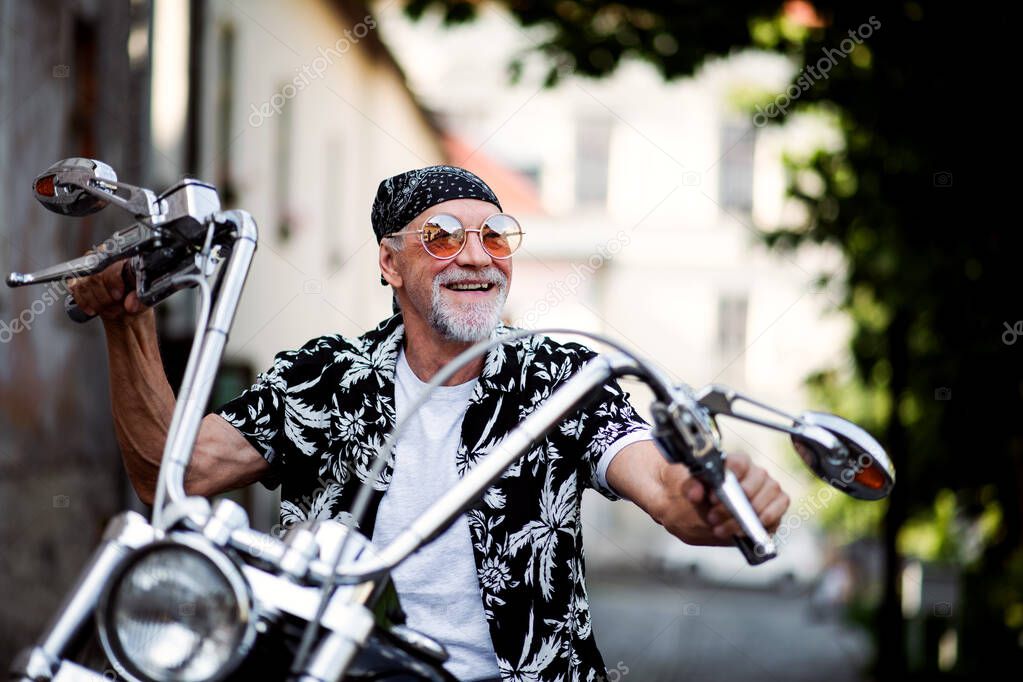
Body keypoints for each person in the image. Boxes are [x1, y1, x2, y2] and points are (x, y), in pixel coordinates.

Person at [70, 165, 790, 682]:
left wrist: (710, 496)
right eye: (442, 238)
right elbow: (175, 474)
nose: (476, 257)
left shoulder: (560, 378)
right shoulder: (328, 377)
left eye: (495, 237)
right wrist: (123, 325)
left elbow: (662, 487)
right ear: (390, 262)